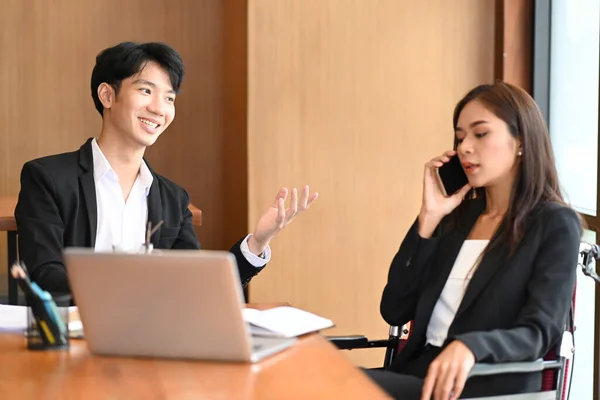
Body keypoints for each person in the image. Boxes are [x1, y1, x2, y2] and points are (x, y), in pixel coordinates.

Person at [14, 42, 318, 295]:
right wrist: (133, 288)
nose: (159, 109)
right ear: (107, 95)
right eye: (146, 91)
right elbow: (43, 273)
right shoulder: (48, 178)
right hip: (75, 342)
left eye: (169, 97)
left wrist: (258, 241)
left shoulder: (172, 198)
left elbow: (197, 286)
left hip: (153, 342)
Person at [364, 81, 582, 399]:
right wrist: (428, 219)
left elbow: (539, 331)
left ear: (521, 141)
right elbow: (394, 309)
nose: (465, 146)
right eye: (460, 136)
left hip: (481, 383)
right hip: (417, 375)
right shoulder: (457, 218)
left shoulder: (554, 224)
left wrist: (471, 346)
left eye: (480, 134)